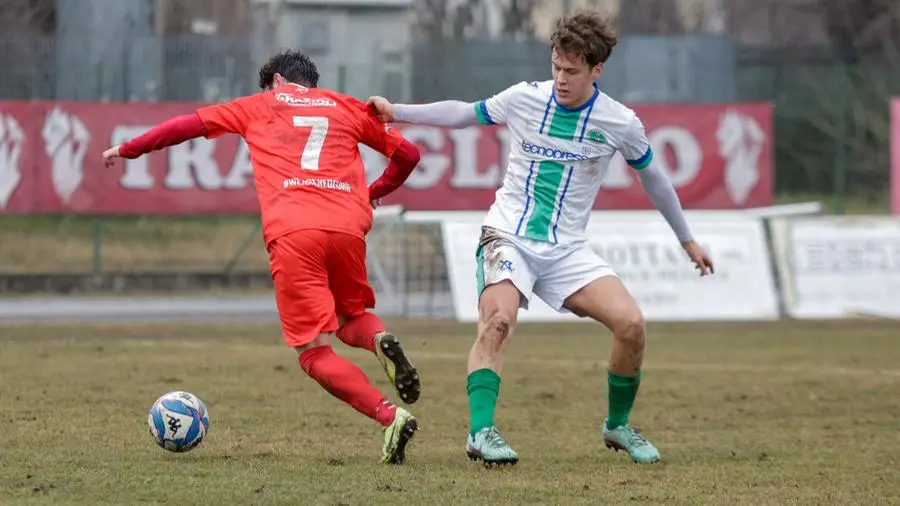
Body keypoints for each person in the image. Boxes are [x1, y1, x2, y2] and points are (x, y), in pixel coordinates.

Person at [368, 12, 714, 466]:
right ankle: (481, 433)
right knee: (498, 323)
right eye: (557, 67)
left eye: (572, 70)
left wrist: (686, 239)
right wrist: (398, 111)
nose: (561, 78)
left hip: (567, 250)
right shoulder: (524, 99)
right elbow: (464, 113)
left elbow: (655, 179)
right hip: (507, 235)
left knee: (631, 326)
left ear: (597, 70)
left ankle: (618, 426)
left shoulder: (619, 122)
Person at [103, 50, 423, 465]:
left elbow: (186, 127)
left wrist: (127, 149)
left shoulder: (256, 106)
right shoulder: (345, 106)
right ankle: (379, 340)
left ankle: (389, 416)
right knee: (353, 317)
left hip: (294, 232)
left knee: (313, 351)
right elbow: (409, 156)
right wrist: (372, 192)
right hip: (347, 228)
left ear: (275, 81)